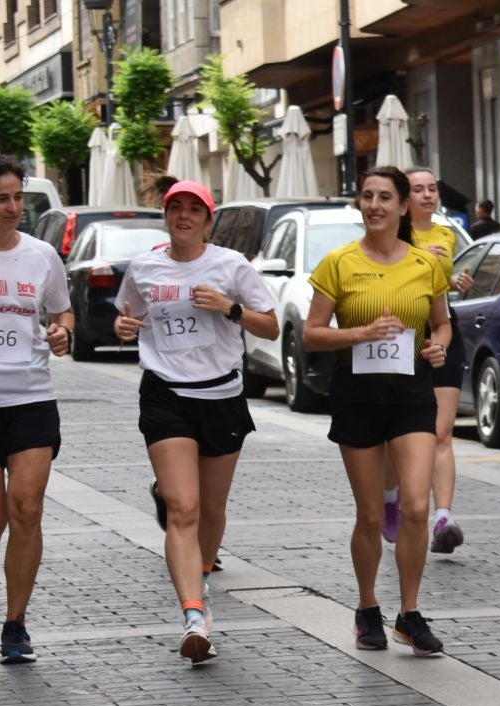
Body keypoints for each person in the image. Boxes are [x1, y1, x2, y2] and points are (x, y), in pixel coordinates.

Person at [114, 176, 278, 663]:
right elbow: (129, 314)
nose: (183, 216)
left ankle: (201, 576)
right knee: (182, 507)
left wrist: (230, 308)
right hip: (165, 396)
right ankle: (191, 614)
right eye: (175, 208)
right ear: (166, 216)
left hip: (222, 395)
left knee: (210, 509)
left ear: (208, 219)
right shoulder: (145, 267)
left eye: (194, 209)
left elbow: (268, 323)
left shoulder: (230, 266)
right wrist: (125, 327)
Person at [302, 165, 453, 657]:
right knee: (370, 515)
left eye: (385, 197)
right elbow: (312, 333)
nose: (374, 205)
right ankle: (368, 607)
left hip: (411, 392)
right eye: (367, 196)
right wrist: (359, 334)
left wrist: (438, 348)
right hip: (358, 396)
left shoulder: (425, 264)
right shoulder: (338, 264)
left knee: (414, 506)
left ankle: (409, 613)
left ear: (404, 206)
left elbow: (442, 325)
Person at [0, 148, 75, 663]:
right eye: (1, 199)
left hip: (30, 397)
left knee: (27, 508)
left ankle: (15, 624)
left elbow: (63, 311)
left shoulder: (41, 255)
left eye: (18, 197)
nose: (12, 207)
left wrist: (63, 331)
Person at [378, 166, 475, 557]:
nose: (427, 195)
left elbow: (438, 287)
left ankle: (443, 518)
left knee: (441, 432)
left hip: (444, 333)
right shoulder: (391, 234)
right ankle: (390, 497)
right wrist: (419, 257)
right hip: (402, 336)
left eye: (432, 188)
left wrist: (455, 283)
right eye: (418, 189)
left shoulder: (447, 233)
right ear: (404, 200)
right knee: (395, 433)